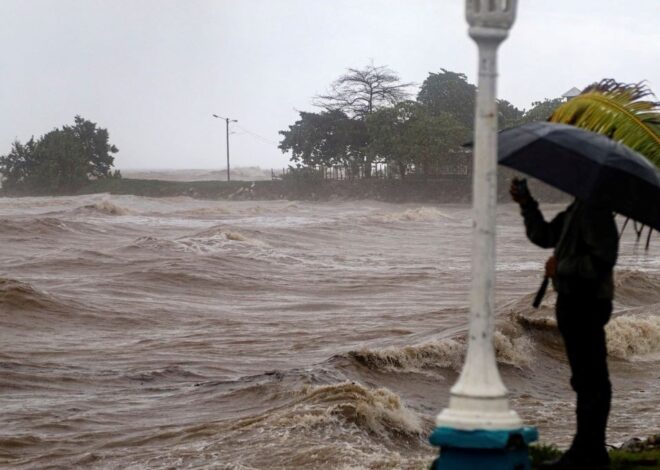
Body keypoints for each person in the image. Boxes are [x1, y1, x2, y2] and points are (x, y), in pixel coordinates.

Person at [510, 178, 619, 470]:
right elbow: (545, 236)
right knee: (585, 379)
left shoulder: (595, 212)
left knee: (592, 380)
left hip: (587, 302)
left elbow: (603, 258)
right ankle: (588, 449)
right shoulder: (577, 209)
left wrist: (563, 267)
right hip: (572, 300)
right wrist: (527, 204)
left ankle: (589, 452)